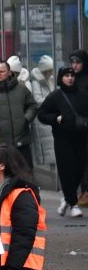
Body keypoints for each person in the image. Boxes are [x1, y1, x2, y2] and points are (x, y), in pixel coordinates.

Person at [36, 67, 88, 217]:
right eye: (66, 75)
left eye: (72, 75)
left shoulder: (83, 95)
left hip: (81, 138)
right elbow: (42, 114)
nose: (70, 78)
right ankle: (73, 204)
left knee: (79, 170)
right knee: (66, 171)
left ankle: (67, 197)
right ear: (61, 78)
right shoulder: (55, 96)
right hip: (62, 140)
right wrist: (55, 119)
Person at [0, 60, 38, 167]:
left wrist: (25, 119)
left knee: (25, 173)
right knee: (5, 175)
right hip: (1, 143)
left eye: (2, 71)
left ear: (9, 72)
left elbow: (33, 105)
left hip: (21, 142)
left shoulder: (21, 88)